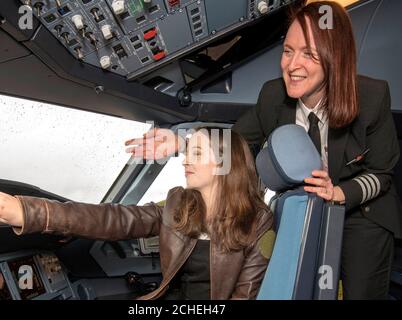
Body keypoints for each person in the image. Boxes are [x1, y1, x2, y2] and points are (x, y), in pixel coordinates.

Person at [125, 1, 401, 299]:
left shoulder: (371, 97)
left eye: (308, 54)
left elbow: (381, 174)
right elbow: (234, 142)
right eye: (288, 51)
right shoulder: (273, 96)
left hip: (360, 213)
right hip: (303, 209)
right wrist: (182, 143)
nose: (292, 65)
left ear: (334, 58)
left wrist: (339, 193)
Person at [0, 127, 274, 300]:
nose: (184, 162)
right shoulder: (179, 203)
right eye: (187, 153)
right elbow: (116, 220)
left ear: (224, 163)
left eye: (196, 153)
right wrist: (29, 212)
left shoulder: (258, 223)